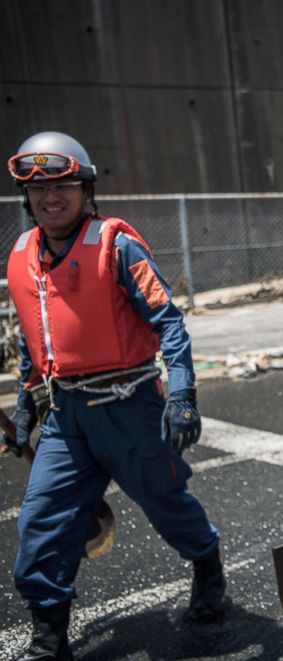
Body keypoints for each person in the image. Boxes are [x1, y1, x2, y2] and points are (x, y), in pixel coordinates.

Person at [4, 131, 224, 659]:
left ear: (84, 188)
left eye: (61, 186)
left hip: (130, 407)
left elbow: (170, 324)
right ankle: (48, 636)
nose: (49, 198)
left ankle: (207, 564)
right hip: (66, 415)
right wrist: (23, 402)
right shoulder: (22, 254)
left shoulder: (117, 246)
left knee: (166, 503)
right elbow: (35, 339)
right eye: (37, 191)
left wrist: (183, 395)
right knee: (42, 518)